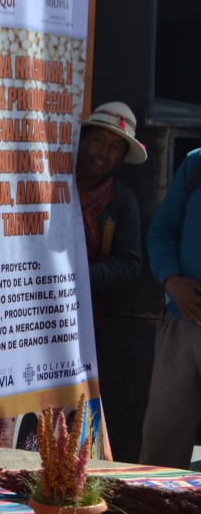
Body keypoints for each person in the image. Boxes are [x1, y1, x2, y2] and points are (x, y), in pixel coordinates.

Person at [75, 101, 148, 461]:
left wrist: (80, 278)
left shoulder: (121, 202)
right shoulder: (54, 183)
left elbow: (130, 263)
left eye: (114, 147)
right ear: (83, 139)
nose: (103, 153)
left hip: (91, 323)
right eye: (98, 141)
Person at [140, 146, 201, 470]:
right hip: (182, 326)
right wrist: (171, 280)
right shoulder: (196, 163)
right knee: (161, 450)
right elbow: (163, 231)